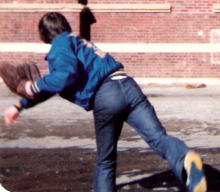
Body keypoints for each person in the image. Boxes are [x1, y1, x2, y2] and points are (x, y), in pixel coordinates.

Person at [3, 12, 207, 192]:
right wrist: (21, 105)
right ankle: (185, 159)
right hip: (128, 86)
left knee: (106, 159)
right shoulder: (80, 43)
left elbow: (65, 75)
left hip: (107, 95)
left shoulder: (60, 45)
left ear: (44, 35)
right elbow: (58, 84)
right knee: (158, 138)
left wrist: (33, 87)